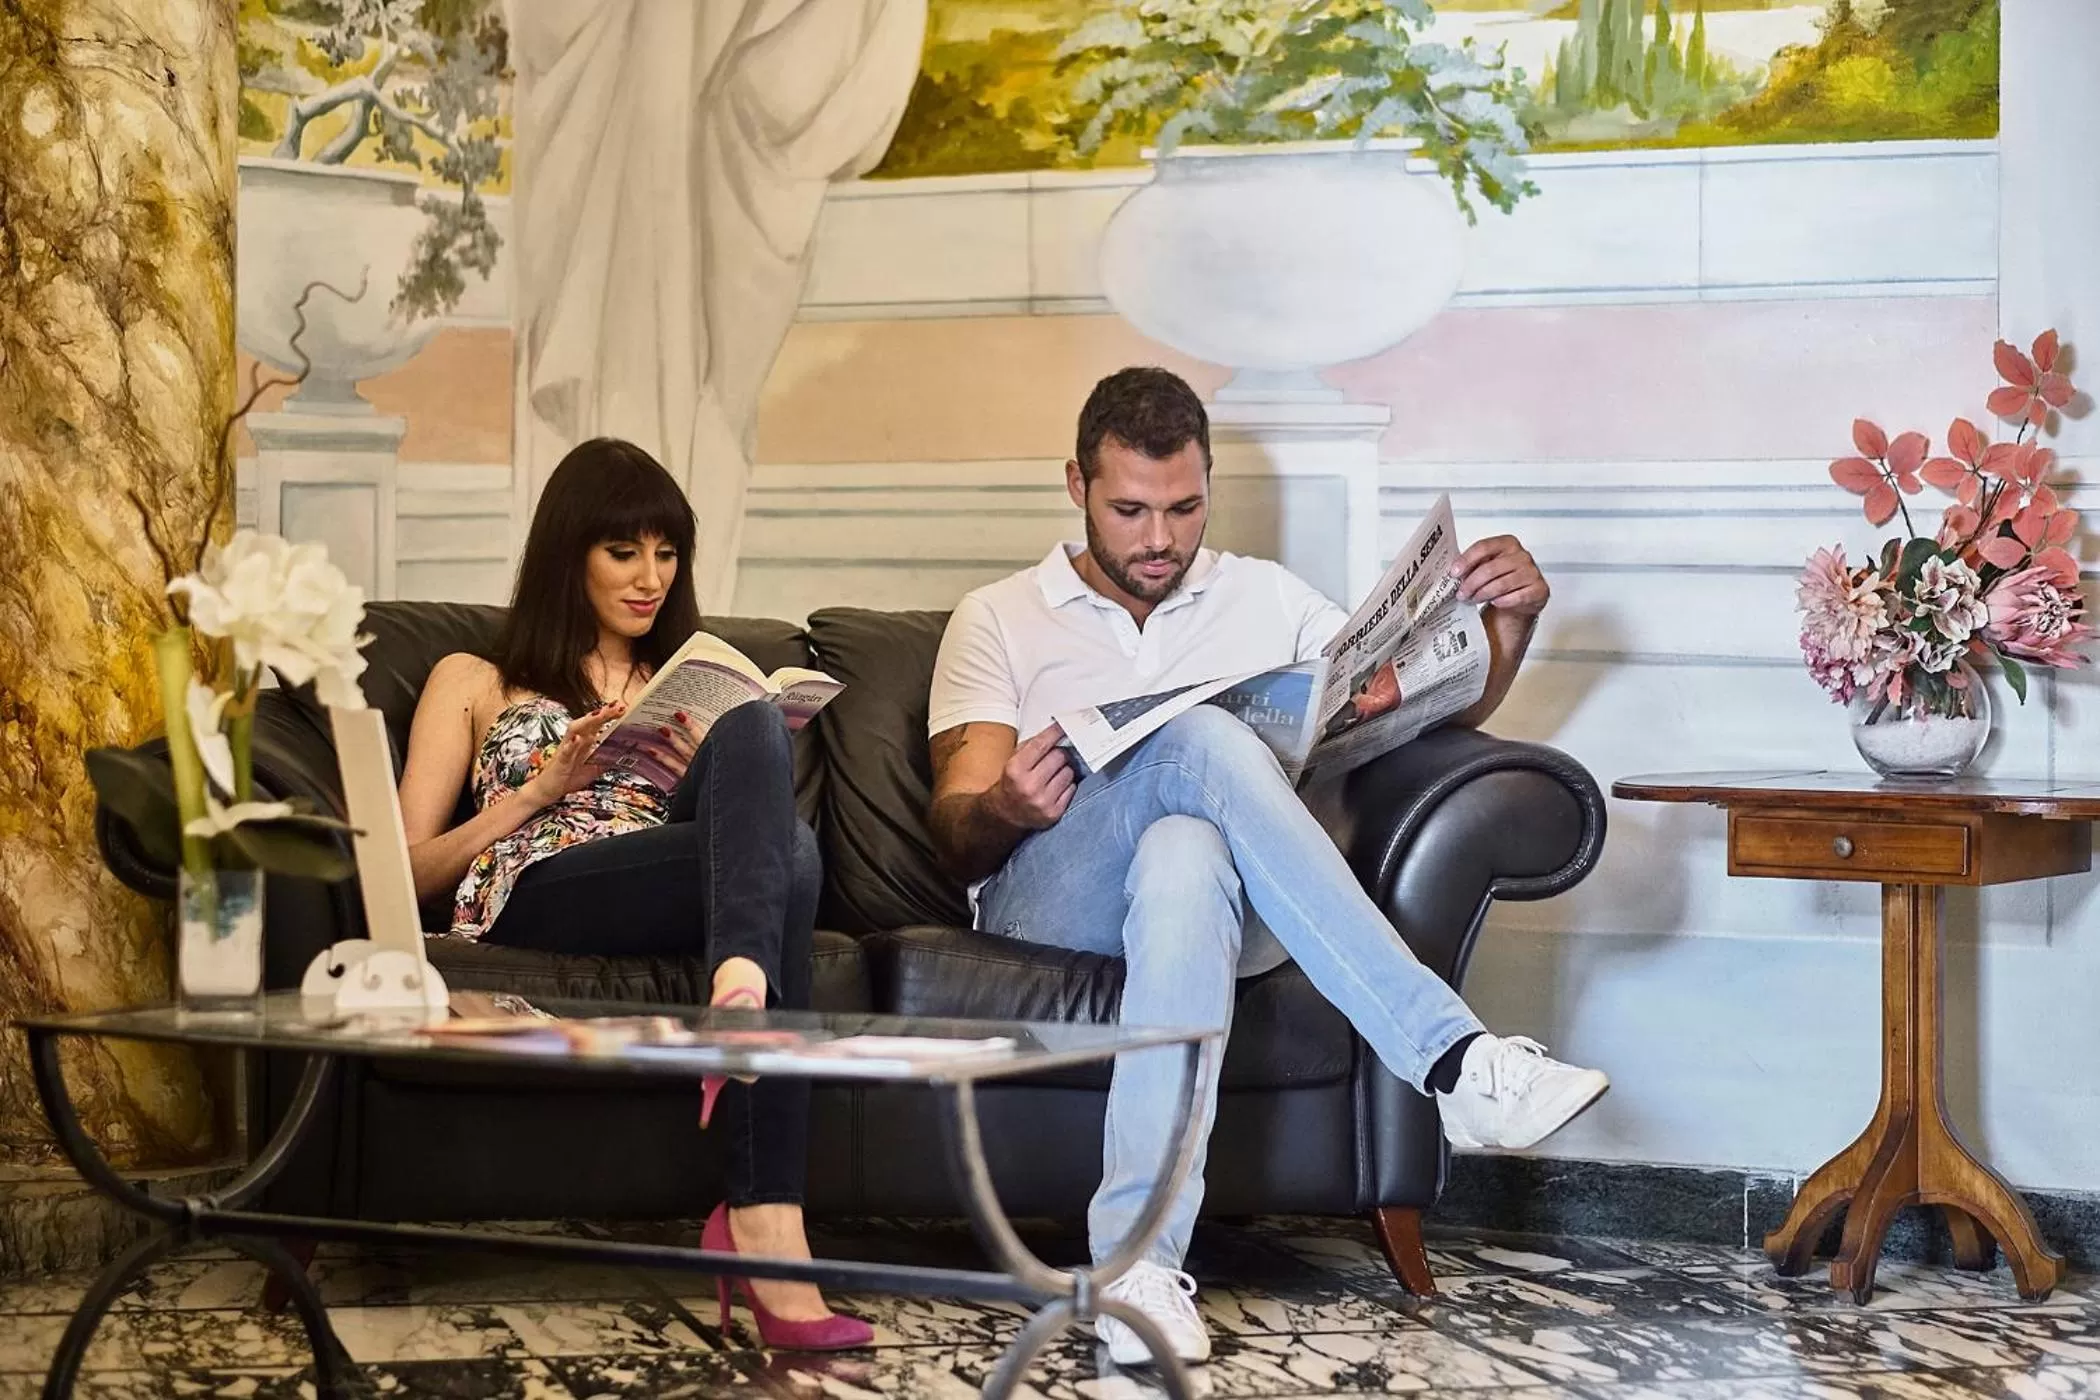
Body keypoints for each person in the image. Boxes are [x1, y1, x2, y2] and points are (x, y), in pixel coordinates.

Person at [925, 368, 1610, 1366]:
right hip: (1047, 897)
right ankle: (1455, 1059)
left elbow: (1418, 707)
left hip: (1219, 908)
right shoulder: (999, 615)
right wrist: (1005, 804)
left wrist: (1507, 630)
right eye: (1128, 509)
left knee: (1187, 850)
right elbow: (955, 831)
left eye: (1184, 505)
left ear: (1208, 483)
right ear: (1075, 484)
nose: (1159, 537)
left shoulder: (1268, 598)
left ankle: (1138, 1270)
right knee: (1197, 741)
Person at [396, 437, 871, 1352]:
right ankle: (768, 1222)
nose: (650, 577)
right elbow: (407, 870)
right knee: (796, 863)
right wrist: (539, 791)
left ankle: (737, 997)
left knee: (757, 745)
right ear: (568, 554)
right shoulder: (475, 678)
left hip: (674, 872)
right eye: (624, 552)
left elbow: (736, 827)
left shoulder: (679, 676)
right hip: (540, 881)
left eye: (667, 552)